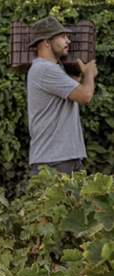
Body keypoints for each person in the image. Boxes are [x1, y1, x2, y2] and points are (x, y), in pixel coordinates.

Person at [26, 16, 97, 178]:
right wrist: (90, 74)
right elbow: (85, 95)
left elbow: (71, 89)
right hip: (54, 162)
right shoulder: (44, 70)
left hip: (64, 158)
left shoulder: (54, 69)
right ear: (47, 42)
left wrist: (78, 73)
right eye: (63, 37)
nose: (68, 41)